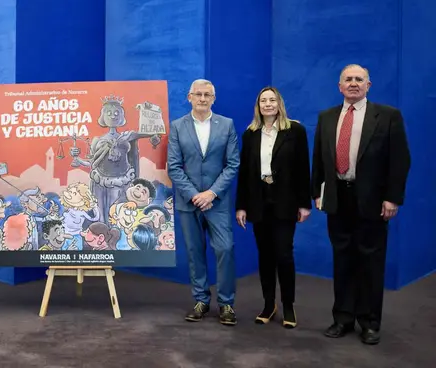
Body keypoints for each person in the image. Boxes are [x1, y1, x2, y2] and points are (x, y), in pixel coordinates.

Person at [312, 64, 410, 345]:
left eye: (359, 79)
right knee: (342, 260)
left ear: (369, 85)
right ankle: (342, 318)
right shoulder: (327, 117)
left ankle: (369, 322)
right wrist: (317, 193)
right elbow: (319, 158)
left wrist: (392, 197)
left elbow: (400, 160)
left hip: (372, 201)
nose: (353, 83)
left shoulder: (388, 116)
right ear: (339, 86)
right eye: (348, 79)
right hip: (337, 198)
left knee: (370, 261)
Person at [235, 87, 311, 329]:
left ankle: (288, 305)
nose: (267, 104)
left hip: (285, 201)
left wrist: (304, 203)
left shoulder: (295, 131)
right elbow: (244, 174)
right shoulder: (250, 134)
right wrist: (241, 206)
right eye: (263, 100)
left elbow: (302, 169)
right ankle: (269, 304)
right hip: (259, 202)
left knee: (284, 255)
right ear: (258, 105)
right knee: (265, 256)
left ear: (280, 103)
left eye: (272, 100)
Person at [167, 79, 240, 326]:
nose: (202, 98)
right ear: (189, 97)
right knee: (195, 253)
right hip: (188, 203)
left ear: (214, 98)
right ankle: (200, 300)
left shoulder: (226, 125)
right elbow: (174, 167)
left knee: (225, 249)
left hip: (216, 202)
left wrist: (211, 194)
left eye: (207, 94)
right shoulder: (177, 127)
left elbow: (232, 164)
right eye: (198, 94)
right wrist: (194, 195)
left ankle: (226, 303)